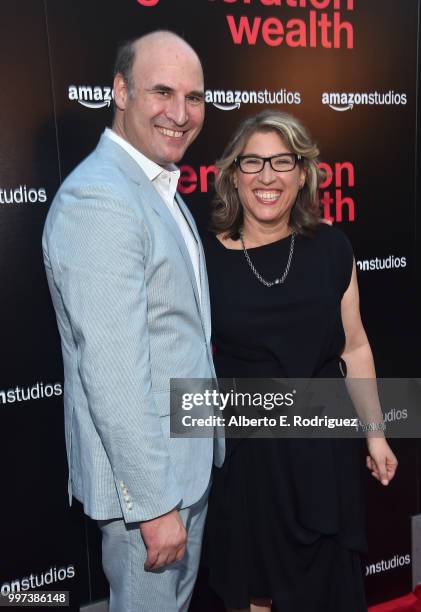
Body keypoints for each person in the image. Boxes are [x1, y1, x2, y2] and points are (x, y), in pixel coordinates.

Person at [42, 31, 223, 612]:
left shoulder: (154, 185)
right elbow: (114, 372)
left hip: (181, 466)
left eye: (194, 97)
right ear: (119, 91)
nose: (180, 113)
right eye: (162, 91)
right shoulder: (101, 198)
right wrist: (153, 505)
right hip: (148, 491)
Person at [201, 109, 398, 612]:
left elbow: (353, 346)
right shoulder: (205, 258)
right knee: (255, 593)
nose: (268, 176)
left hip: (323, 456)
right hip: (250, 464)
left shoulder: (332, 247)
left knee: (328, 586)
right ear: (233, 175)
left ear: (303, 173)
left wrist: (375, 434)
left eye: (282, 161)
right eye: (253, 163)